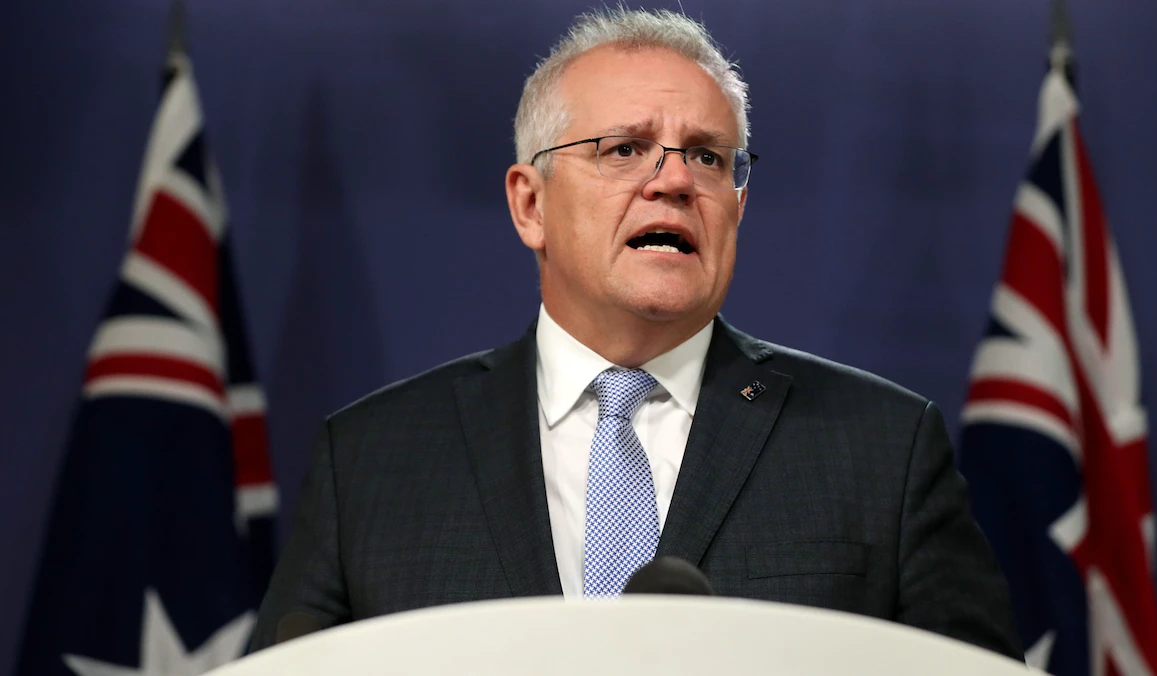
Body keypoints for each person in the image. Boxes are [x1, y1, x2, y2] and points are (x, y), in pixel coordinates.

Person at [248, 7, 1022, 659]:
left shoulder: (882, 450)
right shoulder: (373, 461)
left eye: (709, 157)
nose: (676, 180)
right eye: (625, 149)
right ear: (530, 205)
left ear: (737, 207)